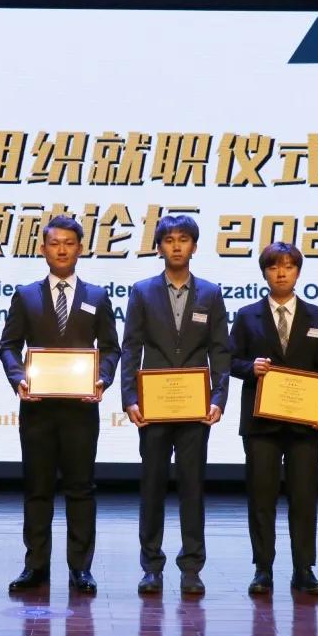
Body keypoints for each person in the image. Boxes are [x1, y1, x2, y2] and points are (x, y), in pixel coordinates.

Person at [0, 215, 120, 595]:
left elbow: (111, 349)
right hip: (37, 408)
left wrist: (102, 378)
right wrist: (18, 378)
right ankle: (35, 566)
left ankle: (80, 568)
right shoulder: (25, 295)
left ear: (80, 249)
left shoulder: (97, 296)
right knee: (37, 488)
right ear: (43, 249)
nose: (62, 250)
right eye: (55, 243)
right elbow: (8, 345)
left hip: (81, 409)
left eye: (69, 243)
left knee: (81, 489)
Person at [120, 214, 230, 596]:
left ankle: (191, 567)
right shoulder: (142, 291)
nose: (177, 246)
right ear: (159, 248)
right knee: (152, 487)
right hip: (154, 407)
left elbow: (220, 350)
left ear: (194, 247)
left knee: (192, 488)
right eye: (169, 240)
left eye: (184, 239)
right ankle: (151, 567)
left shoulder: (211, 293)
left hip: (195, 408)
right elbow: (131, 347)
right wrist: (130, 398)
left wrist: (218, 398)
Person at [229, 242, 318, 596]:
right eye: (274, 267)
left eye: (288, 266)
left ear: (298, 272)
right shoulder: (247, 315)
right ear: (264, 273)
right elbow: (229, 360)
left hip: (305, 423)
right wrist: (250, 367)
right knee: (262, 498)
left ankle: (304, 569)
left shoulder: (317, 316)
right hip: (261, 424)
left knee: (304, 498)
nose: (281, 273)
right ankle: (263, 569)